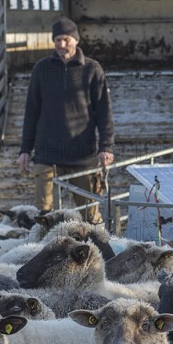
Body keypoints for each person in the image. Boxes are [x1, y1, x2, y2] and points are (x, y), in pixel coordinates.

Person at [17, 16, 114, 223]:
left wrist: (106, 146)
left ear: (76, 40)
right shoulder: (42, 69)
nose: (61, 44)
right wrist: (25, 150)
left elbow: (104, 112)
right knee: (43, 216)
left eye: (66, 39)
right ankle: (47, 253)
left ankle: (98, 253)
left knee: (90, 216)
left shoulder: (92, 69)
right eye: (57, 40)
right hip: (46, 154)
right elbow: (31, 112)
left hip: (81, 154)